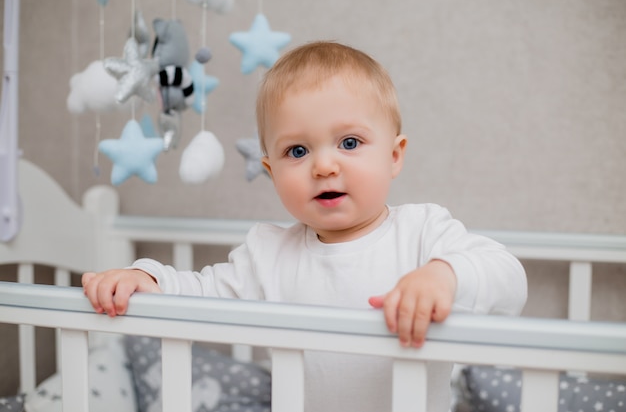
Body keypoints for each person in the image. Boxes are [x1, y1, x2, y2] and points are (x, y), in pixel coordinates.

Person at [82, 41, 527, 412]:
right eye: (297, 151)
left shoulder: (423, 233)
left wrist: (444, 275)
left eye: (349, 142)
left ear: (394, 155)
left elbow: (508, 279)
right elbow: (198, 294)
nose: (325, 166)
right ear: (272, 171)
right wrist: (145, 278)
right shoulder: (269, 253)